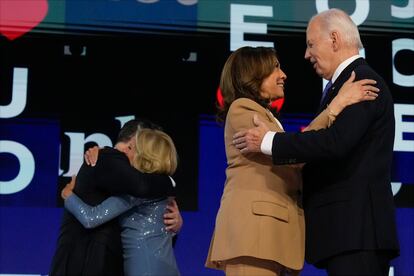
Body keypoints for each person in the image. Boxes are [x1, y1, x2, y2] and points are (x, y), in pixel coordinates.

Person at [232, 9, 399, 276]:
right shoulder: (342, 87)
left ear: (334, 39)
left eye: (310, 44)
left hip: (357, 232)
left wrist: (269, 143)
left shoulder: (362, 82)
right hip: (346, 233)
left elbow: (334, 143)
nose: (306, 55)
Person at [205, 46, 379, 275]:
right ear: (253, 74)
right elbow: (291, 153)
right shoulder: (243, 109)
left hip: (268, 237)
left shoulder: (268, 117)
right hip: (254, 236)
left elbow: (290, 148)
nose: (283, 75)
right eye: (275, 68)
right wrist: (336, 105)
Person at [49, 119, 183, 276]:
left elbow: (92, 218)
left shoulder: (142, 188)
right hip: (88, 261)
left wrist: (68, 196)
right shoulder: (109, 158)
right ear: (133, 140)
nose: (137, 149)